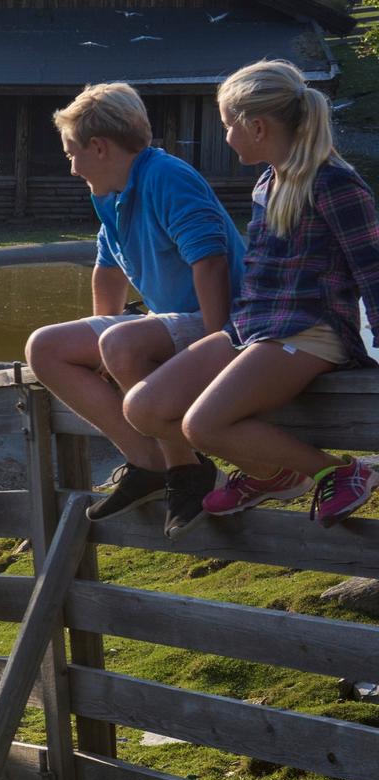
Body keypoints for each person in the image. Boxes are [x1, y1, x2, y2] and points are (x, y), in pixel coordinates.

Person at [121, 59, 379, 528]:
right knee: (144, 408)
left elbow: (372, 269)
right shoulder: (267, 182)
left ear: (257, 127)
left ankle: (341, 471)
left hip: (310, 331)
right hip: (253, 328)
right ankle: (270, 475)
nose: (225, 136)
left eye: (227, 125)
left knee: (202, 425)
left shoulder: (335, 183)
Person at [22, 82, 246, 536]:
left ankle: (188, 469)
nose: (72, 168)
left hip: (225, 320)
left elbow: (210, 260)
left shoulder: (166, 176)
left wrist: (214, 342)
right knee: (44, 347)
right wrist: (99, 343)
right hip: (172, 321)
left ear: (99, 147)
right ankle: (148, 463)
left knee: (121, 343)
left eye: (72, 154)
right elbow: (108, 270)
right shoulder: (110, 193)